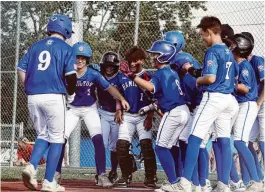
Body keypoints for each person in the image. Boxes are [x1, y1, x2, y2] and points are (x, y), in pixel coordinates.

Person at [171, 16, 239, 192]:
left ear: (210, 32)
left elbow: (210, 77)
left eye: (203, 35)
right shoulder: (228, 51)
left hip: (214, 97)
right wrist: (194, 71)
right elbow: (233, 76)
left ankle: (185, 183)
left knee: (194, 136)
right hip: (228, 99)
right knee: (224, 140)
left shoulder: (212, 50)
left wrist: (198, 81)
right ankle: (224, 185)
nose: (202, 38)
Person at [55, 42, 130, 188]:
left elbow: (110, 88)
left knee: (98, 140)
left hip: (90, 109)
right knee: (61, 139)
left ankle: (101, 175)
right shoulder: (67, 73)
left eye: (83, 58)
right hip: (72, 109)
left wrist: (121, 99)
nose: (80, 60)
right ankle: (56, 173)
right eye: (77, 57)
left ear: (87, 60)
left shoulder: (93, 74)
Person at [17, 14, 77, 191]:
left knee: (43, 135)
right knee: (57, 139)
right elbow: (71, 76)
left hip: (33, 97)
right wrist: (71, 94)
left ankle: (32, 165)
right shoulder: (67, 48)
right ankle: (49, 182)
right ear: (65, 30)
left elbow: (21, 69)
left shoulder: (35, 46)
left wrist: (28, 86)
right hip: (54, 96)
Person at [122, 40, 190, 192]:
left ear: (163, 56)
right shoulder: (172, 71)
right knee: (173, 147)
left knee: (160, 148)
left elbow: (150, 87)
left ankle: (174, 182)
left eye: (155, 55)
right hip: (183, 110)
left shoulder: (162, 72)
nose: (152, 57)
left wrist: (131, 76)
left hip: (174, 112)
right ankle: (180, 181)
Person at [165, 31, 212, 192]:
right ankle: (196, 181)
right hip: (195, 104)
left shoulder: (180, 58)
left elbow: (186, 69)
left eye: (169, 45)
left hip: (197, 105)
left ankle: (199, 181)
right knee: (191, 143)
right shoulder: (179, 58)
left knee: (193, 143)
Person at [116, 46, 157, 188]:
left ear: (142, 61)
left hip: (143, 115)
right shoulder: (123, 75)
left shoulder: (148, 76)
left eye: (135, 61)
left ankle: (150, 177)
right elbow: (118, 93)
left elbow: (155, 98)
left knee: (146, 146)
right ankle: (126, 175)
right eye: (130, 61)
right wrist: (119, 109)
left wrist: (150, 117)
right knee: (121, 146)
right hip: (127, 115)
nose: (132, 64)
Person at [232, 33, 263, 191]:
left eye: (232, 45)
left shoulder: (244, 65)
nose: (230, 48)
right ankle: (249, 181)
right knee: (241, 143)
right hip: (244, 105)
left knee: (239, 142)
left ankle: (256, 181)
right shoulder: (239, 64)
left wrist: (227, 82)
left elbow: (245, 88)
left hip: (248, 104)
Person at [97, 51, 123, 184]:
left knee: (114, 146)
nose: (109, 68)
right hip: (103, 112)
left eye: (112, 66)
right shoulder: (98, 75)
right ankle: (100, 172)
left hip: (117, 115)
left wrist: (120, 110)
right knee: (102, 143)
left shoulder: (120, 78)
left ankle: (113, 171)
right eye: (107, 65)